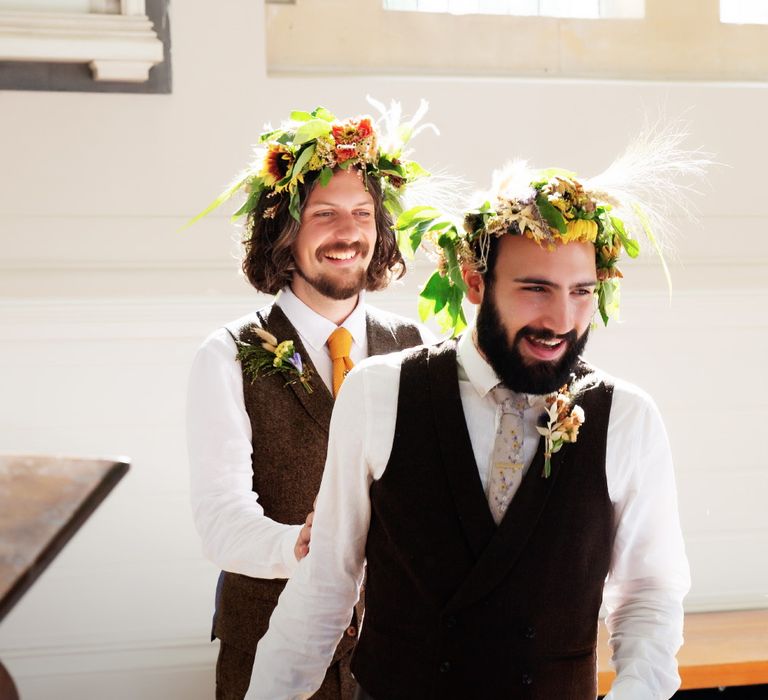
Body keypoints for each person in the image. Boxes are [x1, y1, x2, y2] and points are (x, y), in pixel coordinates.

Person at [245, 137, 706, 699]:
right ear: (474, 281)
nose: (561, 319)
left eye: (581, 292)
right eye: (535, 289)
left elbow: (649, 597)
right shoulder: (378, 392)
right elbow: (325, 586)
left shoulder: (627, 416)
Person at [186, 102, 437, 700]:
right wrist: (296, 546)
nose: (347, 232)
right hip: (270, 649)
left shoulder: (421, 348)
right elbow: (219, 522)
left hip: (397, 650)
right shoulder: (225, 355)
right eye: (324, 214)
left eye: (362, 213)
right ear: (285, 229)